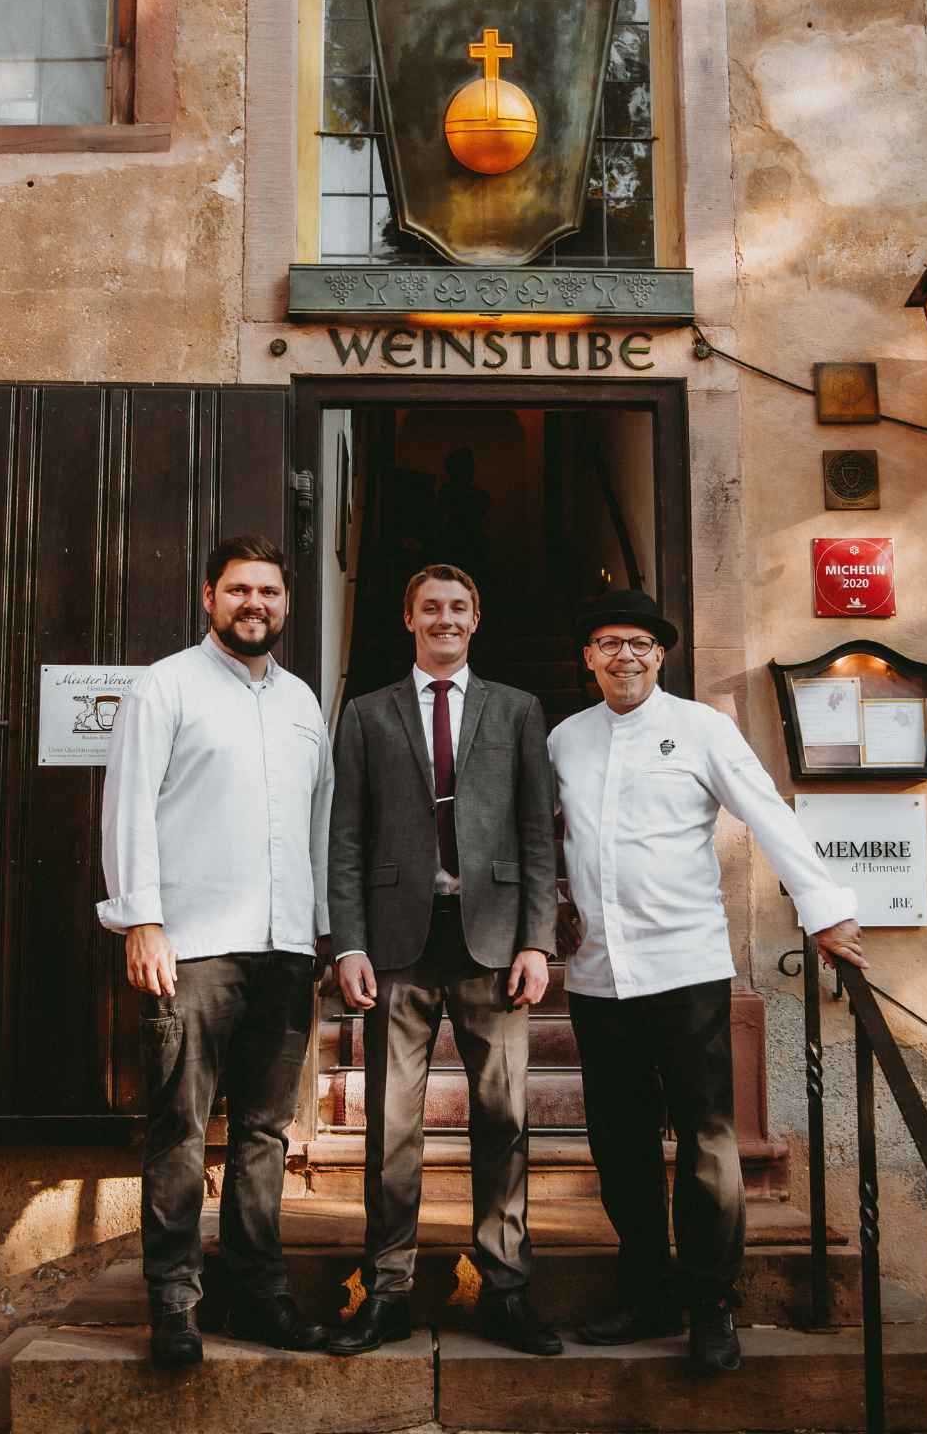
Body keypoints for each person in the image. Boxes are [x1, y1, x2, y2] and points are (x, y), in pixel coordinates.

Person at [547, 589, 866, 1375]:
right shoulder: (563, 740)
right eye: (609, 643)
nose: (625, 656)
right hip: (597, 975)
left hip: (685, 968)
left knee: (707, 1142)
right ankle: (647, 1292)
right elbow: (543, 839)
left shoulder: (702, 729)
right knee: (620, 1144)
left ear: (661, 655)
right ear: (588, 657)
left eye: (639, 644)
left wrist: (824, 912)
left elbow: (767, 813)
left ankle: (711, 1302)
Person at [96, 534, 334, 1366]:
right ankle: (175, 1306)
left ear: (286, 603)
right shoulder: (165, 687)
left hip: (285, 947)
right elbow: (128, 804)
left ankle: (257, 1296)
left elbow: (318, 822)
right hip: (191, 947)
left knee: (266, 1132)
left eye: (268, 591)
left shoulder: (303, 702)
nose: (254, 604)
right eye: (239, 590)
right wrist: (141, 920)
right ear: (209, 597)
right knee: (180, 1130)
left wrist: (320, 930)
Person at [326, 563, 563, 1358]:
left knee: (504, 1119)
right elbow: (346, 838)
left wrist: (536, 940)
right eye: (430, 608)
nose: (445, 620)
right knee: (392, 1125)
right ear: (409, 618)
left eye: (458, 607)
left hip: (493, 943)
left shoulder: (517, 709)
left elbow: (537, 835)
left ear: (476, 617)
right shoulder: (366, 713)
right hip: (397, 945)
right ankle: (387, 1290)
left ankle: (505, 1290)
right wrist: (349, 942)